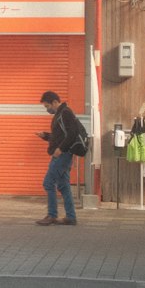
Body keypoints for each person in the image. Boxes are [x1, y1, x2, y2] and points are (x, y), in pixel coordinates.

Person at [36, 90, 88, 226]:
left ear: (54, 102)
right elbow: (61, 135)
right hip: (62, 154)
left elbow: (72, 133)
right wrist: (46, 136)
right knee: (64, 186)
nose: (47, 110)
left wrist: (61, 149)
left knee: (48, 183)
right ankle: (71, 217)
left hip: (62, 155)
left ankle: (52, 215)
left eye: (48, 106)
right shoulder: (61, 114)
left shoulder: (65, 113)